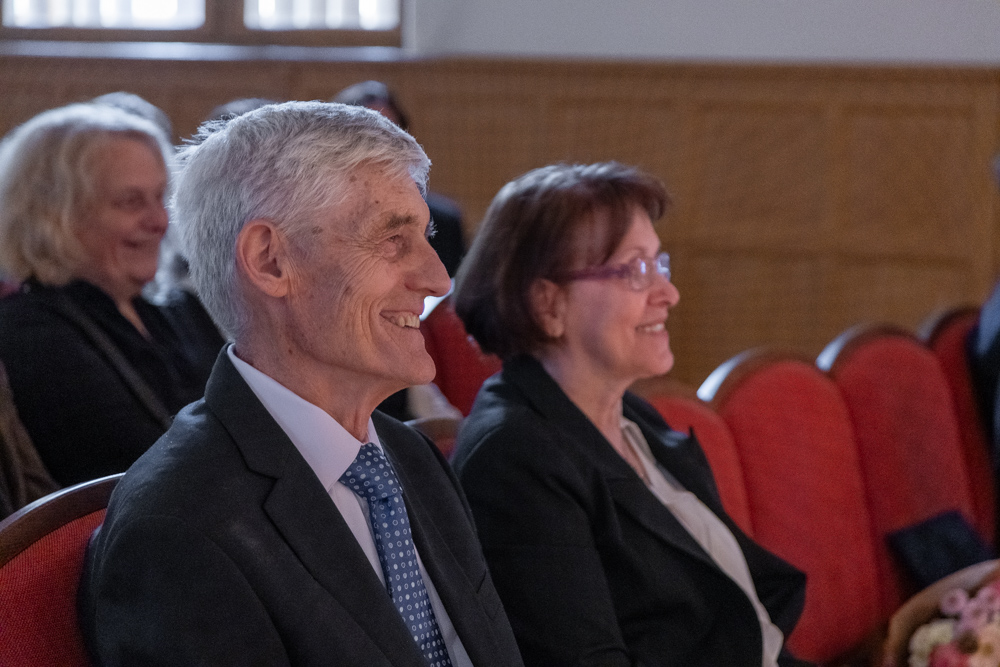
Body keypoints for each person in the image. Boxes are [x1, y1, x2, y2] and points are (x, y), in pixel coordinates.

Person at [79, 101, 525, 666]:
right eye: (393, 239)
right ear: (270, 261)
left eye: (425, 236)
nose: (438, 278)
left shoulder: (411, 458)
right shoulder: (180, 527)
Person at [450, 162, 811, 667]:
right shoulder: (514, 459)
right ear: (548, 304)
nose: (668, 293)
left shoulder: (633, 419)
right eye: (635, 270)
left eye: (659, 265)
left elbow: (746, 625)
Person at [0, 103, 215, 486]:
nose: (159, 220)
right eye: (131, 202)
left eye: (160, 196)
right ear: (55, 214)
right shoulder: (29, 332)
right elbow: (135, 469)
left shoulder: (182, 309)